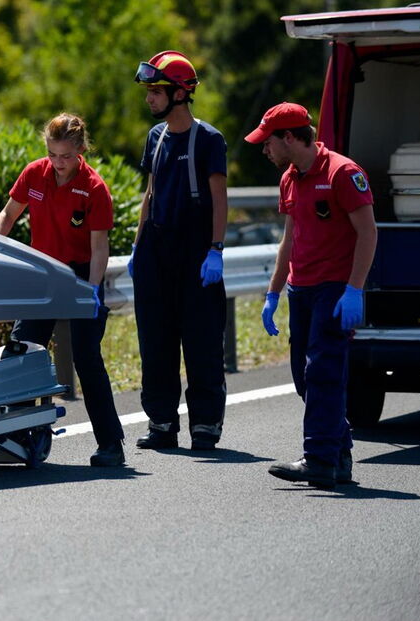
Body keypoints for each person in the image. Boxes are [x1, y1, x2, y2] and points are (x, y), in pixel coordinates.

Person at [246, 102, 377, 488]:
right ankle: (339, 453)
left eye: (268, 142)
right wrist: (273, 293)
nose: (264, 149)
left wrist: (354, 290)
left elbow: (368, 233)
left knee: (322, 371)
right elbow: (290, 238)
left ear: (289, 137)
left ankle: (319, 458)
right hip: (300, 289)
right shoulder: (290, 178)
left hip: (335, 289)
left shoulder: (342, 172)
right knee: (304, 379)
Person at [0, 113, 125, 467]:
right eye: (53, 154)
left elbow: (100, 248)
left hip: (82, 274)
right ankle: (16, 437)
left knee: (86, 358)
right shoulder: (35, 174)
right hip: (43, 272)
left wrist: (93, 292)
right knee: (23, 351)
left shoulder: (94, 188)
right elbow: (7, 215)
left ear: (80, 150)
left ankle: (111, 443)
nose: (59, 163)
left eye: (66, 156)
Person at [130, 50, 229, 451]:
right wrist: (138, 248)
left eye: (156, 91)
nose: (150, 98)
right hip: (156, 247)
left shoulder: (209, 139)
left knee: (202, 341)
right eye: (149, 91)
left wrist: (216, 249)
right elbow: (150, 194)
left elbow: (220, 200)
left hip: (196, 249)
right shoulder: (155, 138)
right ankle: (162, 423)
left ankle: (205, 424)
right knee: (156, 341)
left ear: (180, 93)